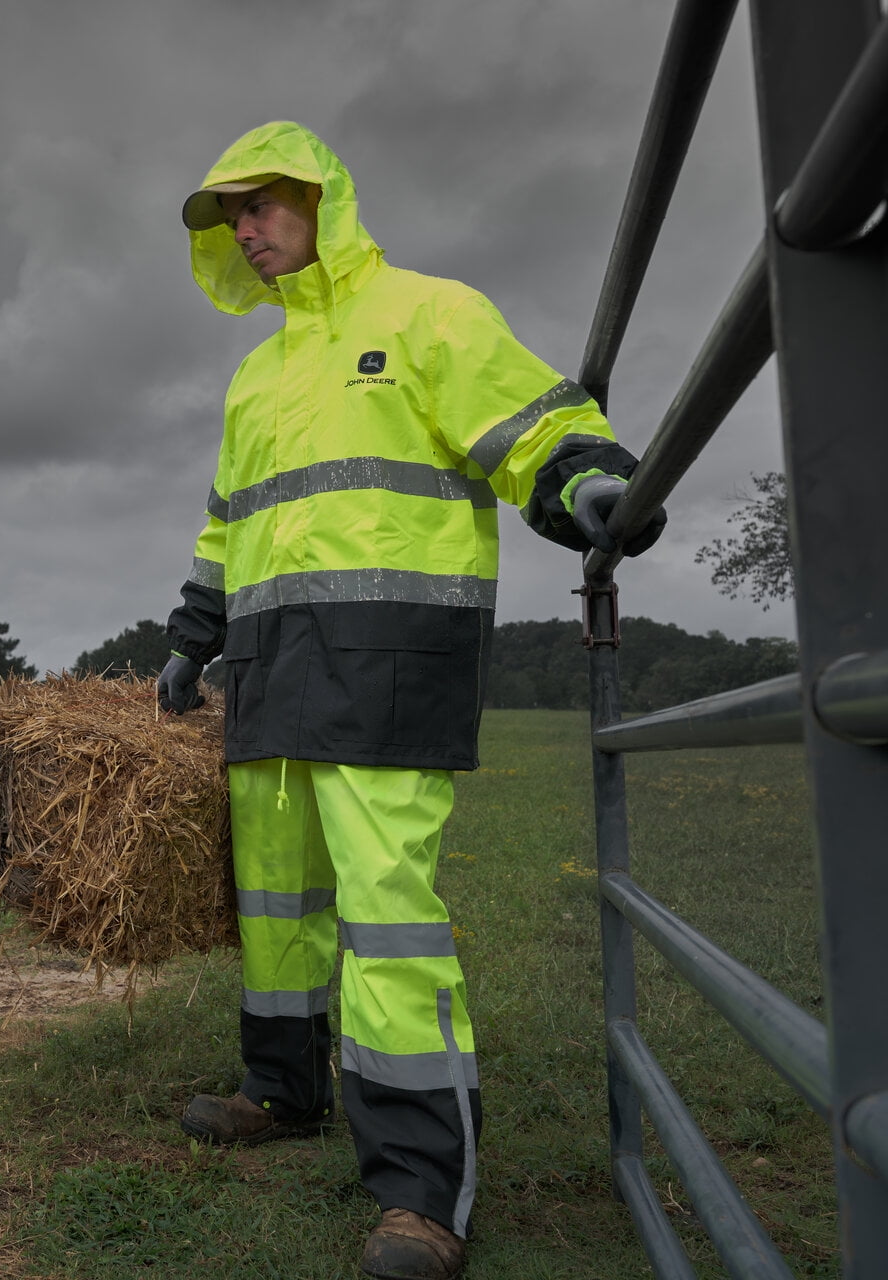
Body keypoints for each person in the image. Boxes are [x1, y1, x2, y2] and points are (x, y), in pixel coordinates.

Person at [155, 121, 664, 1280]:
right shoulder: (259, 371)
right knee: (278, 900)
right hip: (272, 669)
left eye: (263, 203)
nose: (245, 226)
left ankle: (421, 1190)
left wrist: (585, 478)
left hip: (390, 657)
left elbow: (532, 421)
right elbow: (226, 524)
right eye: (230, 215)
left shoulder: (430, 313)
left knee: (388, 912)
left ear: (323, 197)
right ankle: (282, 1090)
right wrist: (193, 637)